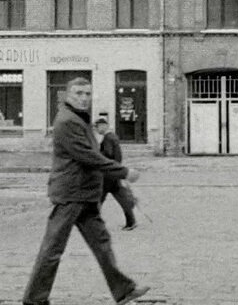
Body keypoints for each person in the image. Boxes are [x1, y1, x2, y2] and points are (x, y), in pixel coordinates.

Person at [23, 77, 149, 305]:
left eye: (87, 94)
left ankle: (123, 290)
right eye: (78, 93)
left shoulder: (79, 119)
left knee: (101, 243)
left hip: (85, 194)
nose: (83, 98)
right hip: (71, 194)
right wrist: (123, 172)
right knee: (52, 249)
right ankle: (34, 299)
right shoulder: (67, 121)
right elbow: (88, 156)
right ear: (67, 95)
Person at [94, 117, 137, 230]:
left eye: (97, 126)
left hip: (108, 173)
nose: (96, 129)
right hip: (115, 171)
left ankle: (92, 223)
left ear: (104, 126)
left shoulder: (108, 138)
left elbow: (108, 154)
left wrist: (98, 155)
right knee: (121, 197)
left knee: (99, 197)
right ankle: (131, 221)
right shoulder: (113, 136)